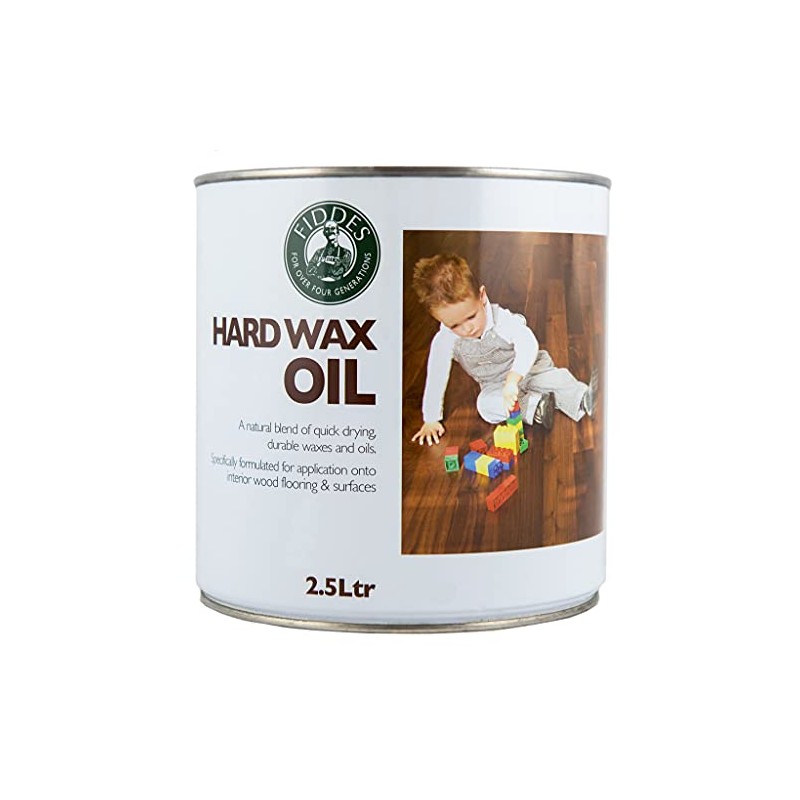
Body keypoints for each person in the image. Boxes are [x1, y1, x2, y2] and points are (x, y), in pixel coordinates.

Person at [410, 253, 596, 446]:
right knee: (486, 406)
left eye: (471, 317)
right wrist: (431, 418)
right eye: (454, 325)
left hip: (529, 370)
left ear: (482, 297)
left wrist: (514, 379)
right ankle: (537, 406)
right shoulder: (445, 340)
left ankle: (582, 398)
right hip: (495, 384)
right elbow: (436, 375)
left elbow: (527, 342)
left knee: (553, 379)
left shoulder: (502, 320)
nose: (467, 329)